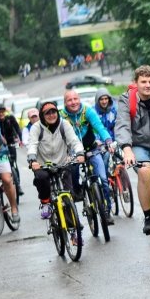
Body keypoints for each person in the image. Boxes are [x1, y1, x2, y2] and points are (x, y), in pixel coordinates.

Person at [115, 65, 150, 234]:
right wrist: (126, 149)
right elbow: (122, 125)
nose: (148, 85)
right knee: (145, 171)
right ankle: (148, 216)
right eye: (143, 82)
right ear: (136, 83)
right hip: (139, 145)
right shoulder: (126, 99)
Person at [62, 89, 115, 225]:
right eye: (70, 100)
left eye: (75, 99)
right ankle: (79, 192)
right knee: (73, 173)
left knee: (103, 179)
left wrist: (108, 141)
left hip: (92, 149)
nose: (73, 102)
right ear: (65, 102)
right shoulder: (62, 116)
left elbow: (99, 127)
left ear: (79, 99)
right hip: (73, 153)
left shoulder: (87, 111)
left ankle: (107, 211)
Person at [27, 101, 85, 218]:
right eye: (47, 113)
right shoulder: (36, 127)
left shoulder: (64, 124)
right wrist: (33, 160)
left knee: (69, 196)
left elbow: (74, 141)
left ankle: (73, 229)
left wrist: (79, 153)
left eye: (54, 112)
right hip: (43, 164)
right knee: (41, 178)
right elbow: (32, 144)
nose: (51, 115)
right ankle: (45, 203)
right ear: (42, 115)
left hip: (63, 163)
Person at [0, 104, 24, 196]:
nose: (1, 114)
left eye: (2, 112)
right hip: (0, 147)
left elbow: (18, 129)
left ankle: (18, 186)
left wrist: (21, 140)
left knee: (13, 164)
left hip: (10, 144)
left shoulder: (10, 119)